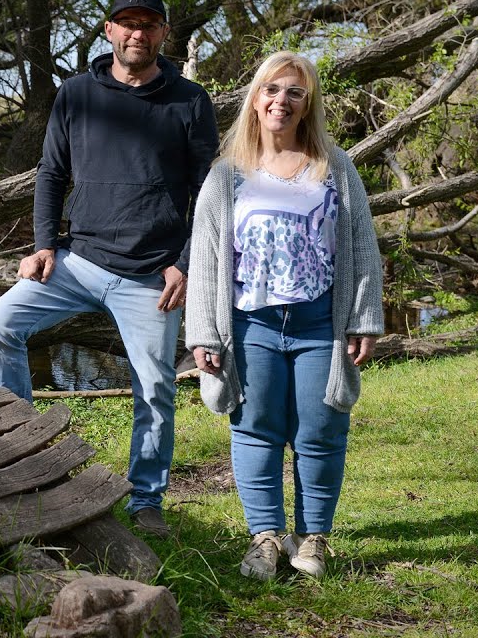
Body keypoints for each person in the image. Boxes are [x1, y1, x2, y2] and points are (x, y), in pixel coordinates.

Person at [0, 0, 219, 538]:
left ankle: (146, 500)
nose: (138, 33)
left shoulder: (189, 101)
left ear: (164, 34)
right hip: (79, 261)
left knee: (156, 389)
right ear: (109, 30)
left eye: (149, 24)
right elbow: (51, 174)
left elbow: (209, 192)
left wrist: (186, 262)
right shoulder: (76, 94)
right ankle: (23, 458)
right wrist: (44, 245)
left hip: (151, 276)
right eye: (127, 23)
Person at [184, 51, 384, 580]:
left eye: (295, 92)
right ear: (255, 99)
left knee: (321, 429)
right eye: (272, 89)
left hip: (320, 323)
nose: (282, 100)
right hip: (252, 325)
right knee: (255, 428)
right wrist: (204, 330)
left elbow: (362, 245)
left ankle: (313, 538)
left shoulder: (333, 166)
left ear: (308, 102)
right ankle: (267, 537)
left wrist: (363, 317)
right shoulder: (227, 175)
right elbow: (205, 256)